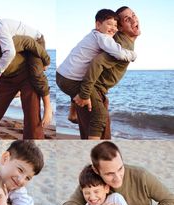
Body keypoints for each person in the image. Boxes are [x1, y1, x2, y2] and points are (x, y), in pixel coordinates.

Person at [57, 6, 140, 139]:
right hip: (90, 89)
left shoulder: (103, 37)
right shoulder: (115, 43)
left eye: (133, 15)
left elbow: (77, 69)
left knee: (95, 132)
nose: (133, 19)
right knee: (100, 124)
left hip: (78, 83)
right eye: (126, 19)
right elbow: (97, 63)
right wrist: (84, 94)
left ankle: (73, 113)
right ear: (121, 27)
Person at [0, 10, 52, 127]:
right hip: (23, 46)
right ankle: (17, 88)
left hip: (36, 41)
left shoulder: (0, 27)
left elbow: (10, 52)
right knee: (11, 66)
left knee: (36, 73)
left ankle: (48, 107)